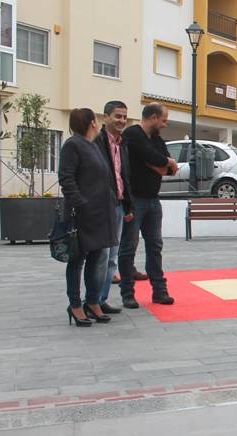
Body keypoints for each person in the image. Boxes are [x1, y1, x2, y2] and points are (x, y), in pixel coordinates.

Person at [58, 108, 118, 327]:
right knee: (77, 260)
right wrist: (80, 204)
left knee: (96, 257)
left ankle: (92, 301)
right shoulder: (73, 145)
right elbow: (66, 178)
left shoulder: (92, 146)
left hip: (99, 213)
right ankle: (75, 305)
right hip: (82, 214)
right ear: (92, 122)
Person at [118, 103, 179, 309]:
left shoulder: (156, 139)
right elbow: (154, 157)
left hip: (153, 199)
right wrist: (164, 162)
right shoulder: (133, 134)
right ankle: (127, 293)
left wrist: (163, 163)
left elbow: (168, 169)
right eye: (163, 120)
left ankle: (159, 292)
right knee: (128, 247)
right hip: (134, 200)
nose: (165, 124)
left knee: (155, 246)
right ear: (153, 117)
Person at [93, 101, 134, 314]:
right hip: (103, 207)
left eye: (124, 117)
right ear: (106, 117)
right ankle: (93, 301)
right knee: (101, 256)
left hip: (118, 205)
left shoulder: (122, 143)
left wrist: (127, 206)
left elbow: (123, 176)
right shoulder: (97, 142)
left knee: (112, 258)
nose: (122, 121)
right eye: (118, 116)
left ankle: (102, 299)